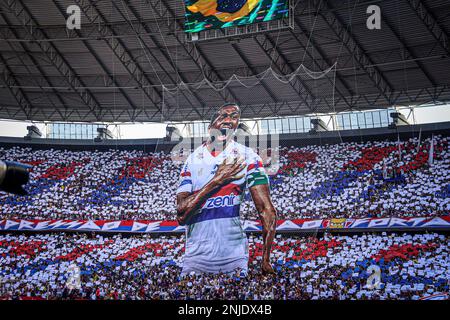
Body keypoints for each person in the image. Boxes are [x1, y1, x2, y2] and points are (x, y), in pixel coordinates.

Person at [176, 103, 277, 276]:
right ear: (209, 127)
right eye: (223, 116)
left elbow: (266, 210)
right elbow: (181, 215)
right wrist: (217, 181)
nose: (229, 120)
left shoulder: (249, 157)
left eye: (234, 116)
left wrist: (266, 258)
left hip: (234, 258)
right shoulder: (192, 160)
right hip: (195, 259)